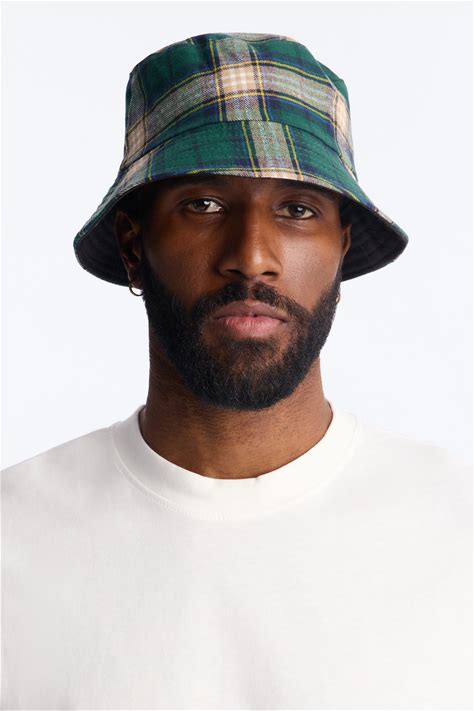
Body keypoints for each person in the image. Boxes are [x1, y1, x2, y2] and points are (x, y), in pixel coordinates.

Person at [2, 33, 471, 710]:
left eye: (297, 209)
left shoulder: (457, 530)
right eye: (204, 204)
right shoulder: (14, 536)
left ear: (341, 249)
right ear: (134, 246)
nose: (251, 257)